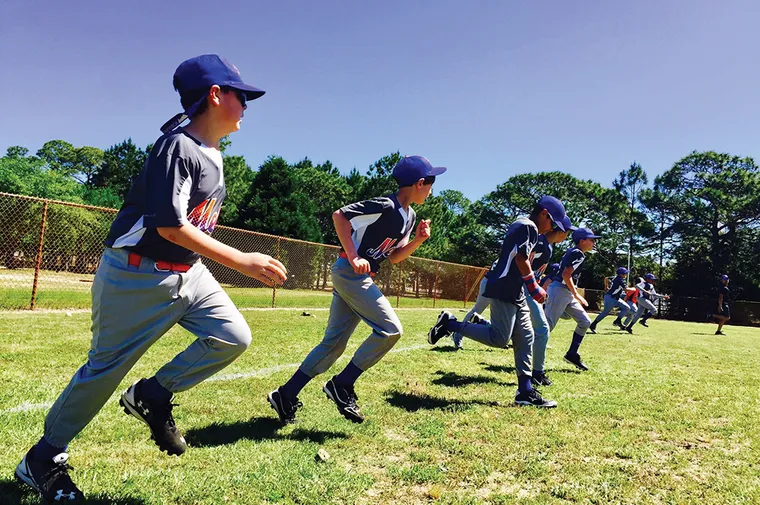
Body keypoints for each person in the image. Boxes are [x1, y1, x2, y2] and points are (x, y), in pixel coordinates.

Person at [15, 55, 288, 502]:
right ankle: (42, 459)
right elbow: (168, 225)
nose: (246, 105)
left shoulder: (212, 151)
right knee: (102, 372)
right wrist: (241, 260)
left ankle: (153, 394)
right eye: (241, 95)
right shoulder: (178, 147)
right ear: (216, 95)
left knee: (232, 336)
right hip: (136, 277)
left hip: (188, 274)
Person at [268, 155, 445, 425]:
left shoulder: (409, 216)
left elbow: (396, 256)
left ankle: (286, 394)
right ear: (420, 183)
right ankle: (342, 384)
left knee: (333, 345)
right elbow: (340, 215)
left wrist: (419, 239)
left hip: (357, 277)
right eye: (431, 182)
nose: (432, 188)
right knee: (391, 330)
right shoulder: (386, 205)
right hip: (350, 273)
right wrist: (353, 256)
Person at [427, 196, 569, 408]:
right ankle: (449, 324)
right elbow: (521, 259)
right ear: (543, 214)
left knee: (526, 335)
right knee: (499, 338)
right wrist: (534, 287)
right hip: (505, 286)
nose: (551, 229)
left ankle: (525, 391)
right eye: (552, 223)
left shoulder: (527, 227)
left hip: (514, 288)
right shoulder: (528, 226)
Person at [543, 227, 601, 371]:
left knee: (585, 321)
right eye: (592, 240)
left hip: (565, 292)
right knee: (546, 326)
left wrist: (572, 293)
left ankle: (572, 354)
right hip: (560, 291)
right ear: (582, 241)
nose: (594, 243)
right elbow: (566, 275)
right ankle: (525, 350)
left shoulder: (575, 252)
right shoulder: (578, 253)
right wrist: (576, 294)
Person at [589, 267, 631, 332]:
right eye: (625, 273)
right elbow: (626, 289)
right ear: (621, 274)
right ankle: (593, 325)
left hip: (615, 298)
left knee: (627, 307)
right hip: (611, 298)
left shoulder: (615, 277)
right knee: (605, 313)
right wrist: (635, 289)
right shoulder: (620, 280)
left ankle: (618, 321)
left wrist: (606, 287)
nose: (626, 275)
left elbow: (606, 278)